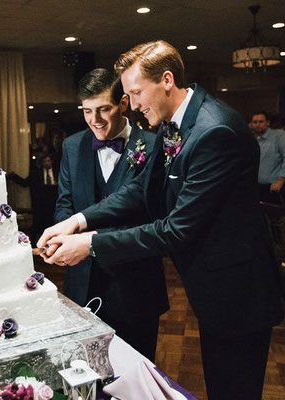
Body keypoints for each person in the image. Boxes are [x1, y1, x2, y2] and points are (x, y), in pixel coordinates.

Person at [37, 40, 284, 400]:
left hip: (239, 292)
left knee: (234, 390)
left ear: (166, 80)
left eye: (136, 92)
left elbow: (175, 230)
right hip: (213, 287)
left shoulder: (215, 131)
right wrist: (77, 220)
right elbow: (140, 191)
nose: (132, 104)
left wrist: (90, 244)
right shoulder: (174, 123)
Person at [55, 68, 167, 361]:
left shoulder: (154, 146)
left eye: (104, 109)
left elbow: (149, 218)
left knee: (135, 376)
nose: (95, 120)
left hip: (135, 286)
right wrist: (62, 240)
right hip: (82, 283)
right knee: (85, 375)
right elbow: (65, 204)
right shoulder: (72, 146)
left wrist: (90, 242)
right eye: (87, 111)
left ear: (124, 104)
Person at [7, 154, 58, 241]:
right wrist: (13, 176)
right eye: (45, 161)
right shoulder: (36, 173)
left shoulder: (57, 172)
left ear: (52, 162)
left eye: (48, 161)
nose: (47, 163)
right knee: (39, 225)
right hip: (41, 203)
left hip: (54, 202)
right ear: (42, 163)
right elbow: (25, 183)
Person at [251, 112, 285, 204]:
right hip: (255, 187)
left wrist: (281, 179)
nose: (258, 125)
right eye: (255, 122)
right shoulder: (250, 139)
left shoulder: (280, 135)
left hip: (275, 187)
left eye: (261, 122)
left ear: (268, 123)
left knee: (276, 217)